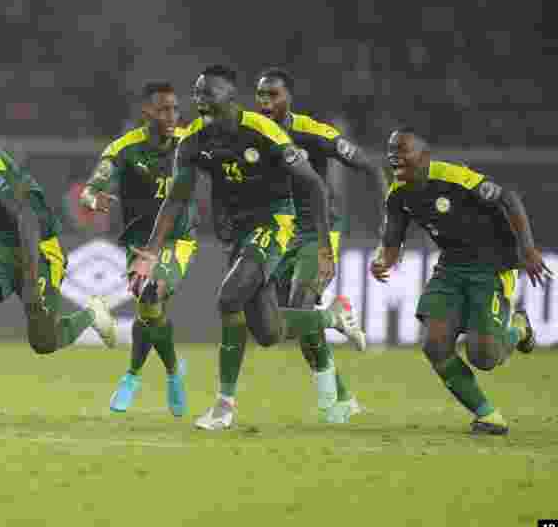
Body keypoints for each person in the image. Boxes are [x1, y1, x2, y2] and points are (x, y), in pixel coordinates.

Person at [129, 65, 365, 431]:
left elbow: (315, 186)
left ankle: (224, 406)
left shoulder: (262, 131)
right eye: (197, 93)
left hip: (275, 222)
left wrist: (323, 249)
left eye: (208, 93)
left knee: (228, 298)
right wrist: (149, 253)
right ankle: (331, 317)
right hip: (239, 235)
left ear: (229, 97)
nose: (199, 100)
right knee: (268, 331)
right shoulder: (193, 141)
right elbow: (175, 199)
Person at [0, 105, 116, 428]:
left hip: (38, 243)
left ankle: (91, 314)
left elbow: (26, 216)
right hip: (4, 241)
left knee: (43, 342)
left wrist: (29, 277)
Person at [371, 127, 547, 435]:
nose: (394, 157)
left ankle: (518, 328)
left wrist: (528, 250)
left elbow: (509, 199)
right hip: (451, 267)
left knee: (484, 357)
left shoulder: (456, 179)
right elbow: (392, 241)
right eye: (391, 152)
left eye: (402, 152)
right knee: (434, 344)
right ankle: (488, 415)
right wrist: (381, 261)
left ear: (424, 157)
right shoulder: (397, 195)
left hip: (492, 266)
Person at [255, 67, 384, 422]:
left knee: (301, 305)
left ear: (288, 97)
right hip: (279, 232)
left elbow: (369, 166)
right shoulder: (251, 133)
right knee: (287, 322)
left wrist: (390, 218)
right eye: (261, 95)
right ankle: (344, 397)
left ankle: (332, 402)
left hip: (318, 230)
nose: (266, 102)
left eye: (273, 95)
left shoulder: (313, 133)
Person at [80, 82, 198, 416]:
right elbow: (90, 189)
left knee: (150, 294)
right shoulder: (124, 149)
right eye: (163, 109)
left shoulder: (189, 143)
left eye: (175, 109)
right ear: (146, 112)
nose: (172, 115)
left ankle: (136, 377)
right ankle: (172, 370)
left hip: (178, 239)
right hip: (139, 243)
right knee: (149, 313)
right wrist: (93, 198)